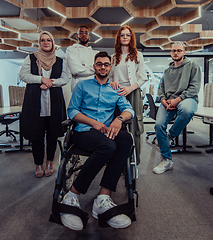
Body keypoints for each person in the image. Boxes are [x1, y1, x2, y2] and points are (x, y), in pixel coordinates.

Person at [61, 51, 135, 231]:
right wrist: (93, 122)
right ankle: (72, 195)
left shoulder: (115, 89)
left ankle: (103, 197)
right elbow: (72, 111)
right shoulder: (82, 86)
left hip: (106, 131)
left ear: (110, 67)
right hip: (84, 131)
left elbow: (129, 110)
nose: (103, 67)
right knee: (108, 146)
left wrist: (118, 119)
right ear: (94, 66)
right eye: (99, 64)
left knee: (126, 139)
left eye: (106, 64)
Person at [19, 31, 69, 178]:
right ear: (39, 43)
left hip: (54, 103)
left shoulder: (60, 60)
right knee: (37, 136)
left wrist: (50, 83)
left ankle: (49, 162)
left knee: (53, 135)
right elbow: (23, 75)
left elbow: (65, 78)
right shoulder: (30, 58)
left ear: (53, 43)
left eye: (49, 40)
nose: (46, 42)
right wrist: (41, 79)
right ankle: (38, 163)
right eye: (42, 40)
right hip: (35, 103)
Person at [153, 41, 201, 174]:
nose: (176, 53)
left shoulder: (193, 66)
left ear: (184, 52)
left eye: (179, 50)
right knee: (158, 125)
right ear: (170, 52)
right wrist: (163, 100)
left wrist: (177, 100)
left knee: (187, 110)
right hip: (168, 101)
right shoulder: (167, 71)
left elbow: (194, 88)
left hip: (186, 98)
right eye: (173, 50)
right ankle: (166, 160)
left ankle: (171, 135)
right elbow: (161, 88)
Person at [109, 25, 148, 165]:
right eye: (122, 35)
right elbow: (110, 77)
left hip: (133, 92)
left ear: (131, 38)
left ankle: (133, 161)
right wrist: (113, 82)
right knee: (117, 124)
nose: (125, 37)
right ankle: (117, 160)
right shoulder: (114, 57)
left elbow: (143, 77)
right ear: (118, 38)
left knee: (134, 126)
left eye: (127, 35)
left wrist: (130, 89)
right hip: (117, 94)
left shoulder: (138, 55)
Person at [66, 25, 98, 92]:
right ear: (77, 36)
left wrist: (84, 67)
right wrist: (92, 70)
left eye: (86, 33)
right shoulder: (71, 50)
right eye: (81, 32)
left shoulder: (94, 53)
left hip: (93, 87)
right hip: (77, 86)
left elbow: (99, 68)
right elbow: (76, 70)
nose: (84, 34)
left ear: (89, 37)